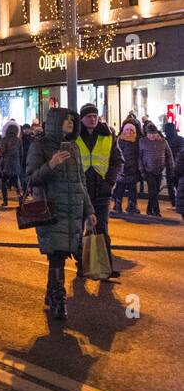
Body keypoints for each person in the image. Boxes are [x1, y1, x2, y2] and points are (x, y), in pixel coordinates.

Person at [26, 108, 96, 320]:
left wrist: (89, 211)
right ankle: (59, 301)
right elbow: (30, 178)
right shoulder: (39, 146)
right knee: (56, 256)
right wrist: (51, 164)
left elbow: (80, 183)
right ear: (55, 122)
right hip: (52, 210)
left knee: (62, 255)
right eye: (66, 120)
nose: (70, 123)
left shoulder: (73, 147)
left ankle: (51, 294)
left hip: (72, 211)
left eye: (72, 120)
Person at [75, 104, 123, 278]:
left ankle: (105, 267)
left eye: (95, 116)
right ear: (81, 118)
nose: (93, 119)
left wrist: (109, 182)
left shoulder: (107, 136)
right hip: (80, 190)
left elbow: (118, 162)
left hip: (101, 191)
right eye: (89, 116)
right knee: (78, 230)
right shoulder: (73, 137)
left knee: (101, 229)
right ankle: (82, 265)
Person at [139, 122, 169, 218]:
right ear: (146, 134)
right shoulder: (142, 141)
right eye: (149, 134)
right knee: (152, 190)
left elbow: (169, 155)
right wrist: (142, 170)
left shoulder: (163, 141)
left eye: (153, 134)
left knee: (155, 191)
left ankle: (149, 209)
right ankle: (156, 211)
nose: (151, 136)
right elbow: (139, 157)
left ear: (157, 133)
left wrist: (170, 168)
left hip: (159, 170)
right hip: (148, 171)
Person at [113, 121, 140, 214]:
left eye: (131, 130)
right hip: (122, 169)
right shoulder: (119, 140)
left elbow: (138, 155)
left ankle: (131, 206)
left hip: (133, 169)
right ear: (123, 130)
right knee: (120, 188)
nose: (129, 132)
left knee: (132, 189)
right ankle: (118, 205)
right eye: (127, 129)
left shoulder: (137, 141)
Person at [0, 122, 23, 206]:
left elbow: (2, 152)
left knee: (4, 184)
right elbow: (21, 153)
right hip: (15, 165)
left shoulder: (4, 140)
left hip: (6, 165)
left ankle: (5, 201)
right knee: (17, 184)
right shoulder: (18, 140)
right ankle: (21, 201)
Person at [163, 120, 184, 209]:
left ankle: (174, 203)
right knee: (179, 185)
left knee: (170, 185)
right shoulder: (181, 139)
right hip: (180, 165)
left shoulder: (165, 140)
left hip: (170, 165)